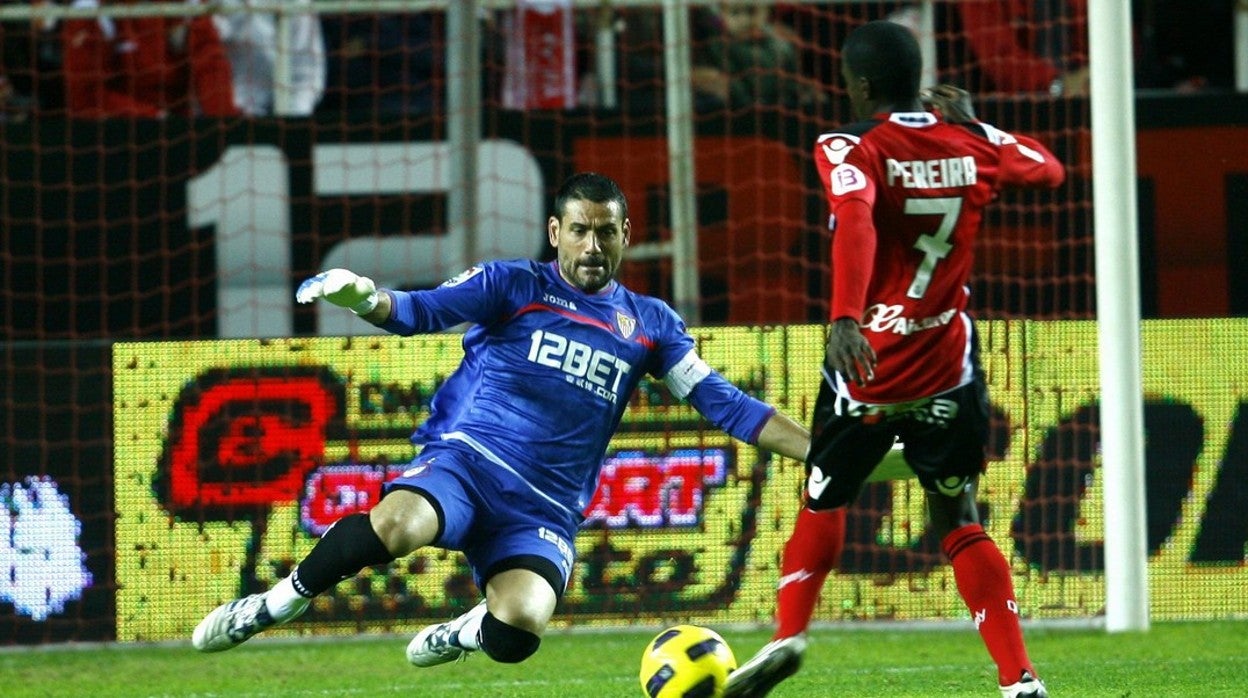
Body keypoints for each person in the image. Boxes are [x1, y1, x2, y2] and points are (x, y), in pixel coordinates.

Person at [190, 172, 812, 668]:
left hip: (544, 508)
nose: (592, 246)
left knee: (519, 630)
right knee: (398, 526)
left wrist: (822, 451)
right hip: (468, 465)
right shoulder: (512, 284)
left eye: (606, 232)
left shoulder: (650, 325)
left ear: (626, 234)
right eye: (579, 231)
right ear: (555, 231)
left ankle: (466, 631)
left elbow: (726, 404)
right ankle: (270, 607)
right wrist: (363, 297)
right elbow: (419, 311)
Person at [724, 20, 1064, 698]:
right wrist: (978, 126)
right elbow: (1049, 170)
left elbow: (854, 218)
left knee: (824, 495)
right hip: (946, 367)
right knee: (957, 514)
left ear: (860, 84)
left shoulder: (850, 145)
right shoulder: (972, 145)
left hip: (870, 369)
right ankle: (1018, 678)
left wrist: (846, 314)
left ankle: (789, 634)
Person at [60, 0, 239, 118]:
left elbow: (210, 62)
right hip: (112, 134)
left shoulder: (187, 5)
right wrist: (153, 116)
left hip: (178, 129)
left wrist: (223, 121)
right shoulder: (91, 10)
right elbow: (83, 96)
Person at [213, 0, 325, 116]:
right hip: (217, 116)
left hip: (283, 116)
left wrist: (291, 121)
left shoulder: (299, 3)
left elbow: (306, 75)